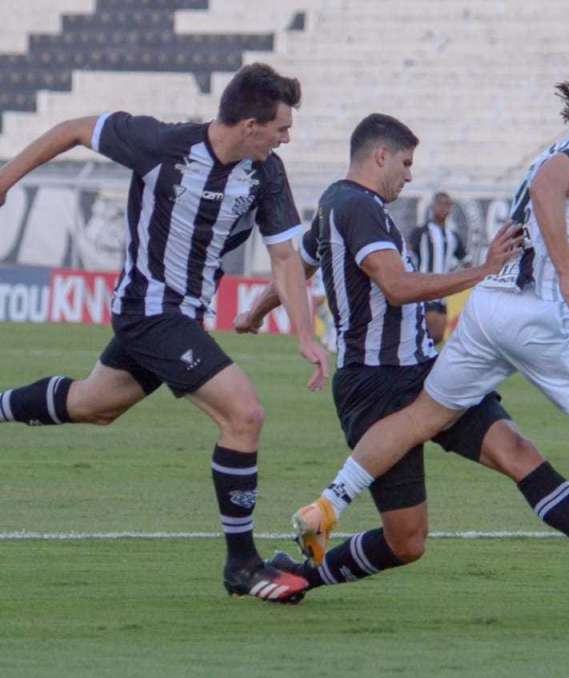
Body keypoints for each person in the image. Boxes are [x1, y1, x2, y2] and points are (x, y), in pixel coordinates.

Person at [236, 112, 569, 611]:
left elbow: (298, 263)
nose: (410, 175)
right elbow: (397, 286)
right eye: (405, 163)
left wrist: (256, 311)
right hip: (377, 384)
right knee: (407, 541)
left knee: (518, 451)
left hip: (419, 369)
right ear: (379, 155)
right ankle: (300, 571)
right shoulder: (357, 207)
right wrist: (483, 270)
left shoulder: (337, 205)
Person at [0, 63, 330, 604]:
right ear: (249, 125)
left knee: (93, 404)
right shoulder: (160, 143)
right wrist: (6, 178)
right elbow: (73, 130)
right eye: (280, 128)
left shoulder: (264, 172)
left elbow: (285, 257)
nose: (286, 138)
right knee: (244, 414)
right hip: (148, 310)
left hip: (180, 318)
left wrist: (302, 332)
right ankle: (242, 565)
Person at [408, 192, 467, 344]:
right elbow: (407, 255)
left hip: (443, 294)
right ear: (433, 206)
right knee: (425, 337)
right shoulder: (421, 232)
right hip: (424, 291)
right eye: (441, 204)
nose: (444, 208)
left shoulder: (453, 236)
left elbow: (466, 261)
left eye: (448, 205)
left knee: (438, 338)